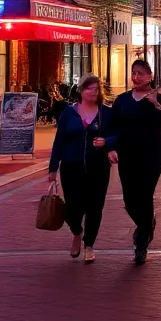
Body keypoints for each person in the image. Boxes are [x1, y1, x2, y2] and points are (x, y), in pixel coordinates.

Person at [110, 59, 161, 265]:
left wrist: (156, 104)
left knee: (145, 195)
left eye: (140, 73)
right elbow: (113, 127)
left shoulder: (160, 99)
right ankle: (147, 224)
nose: (136, 77)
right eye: (133, 73)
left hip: (152, 155)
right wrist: (111, 147)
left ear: (150, 76)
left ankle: (141, 244)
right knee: (130, 201)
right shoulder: (121, 100)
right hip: (127, 155)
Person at [47, 75, 115, 264]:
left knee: (95, 208)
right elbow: (59, 141)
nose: (93, 91)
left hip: (98, 168)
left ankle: (89, 245)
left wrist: (107, 142)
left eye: (96, 88)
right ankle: (77, 231)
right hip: (71, 168)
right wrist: (53, 168)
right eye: (89, 88)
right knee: (72, 210)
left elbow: (117, 134)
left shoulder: (106, 113)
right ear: (81, 91)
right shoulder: (69, 113)